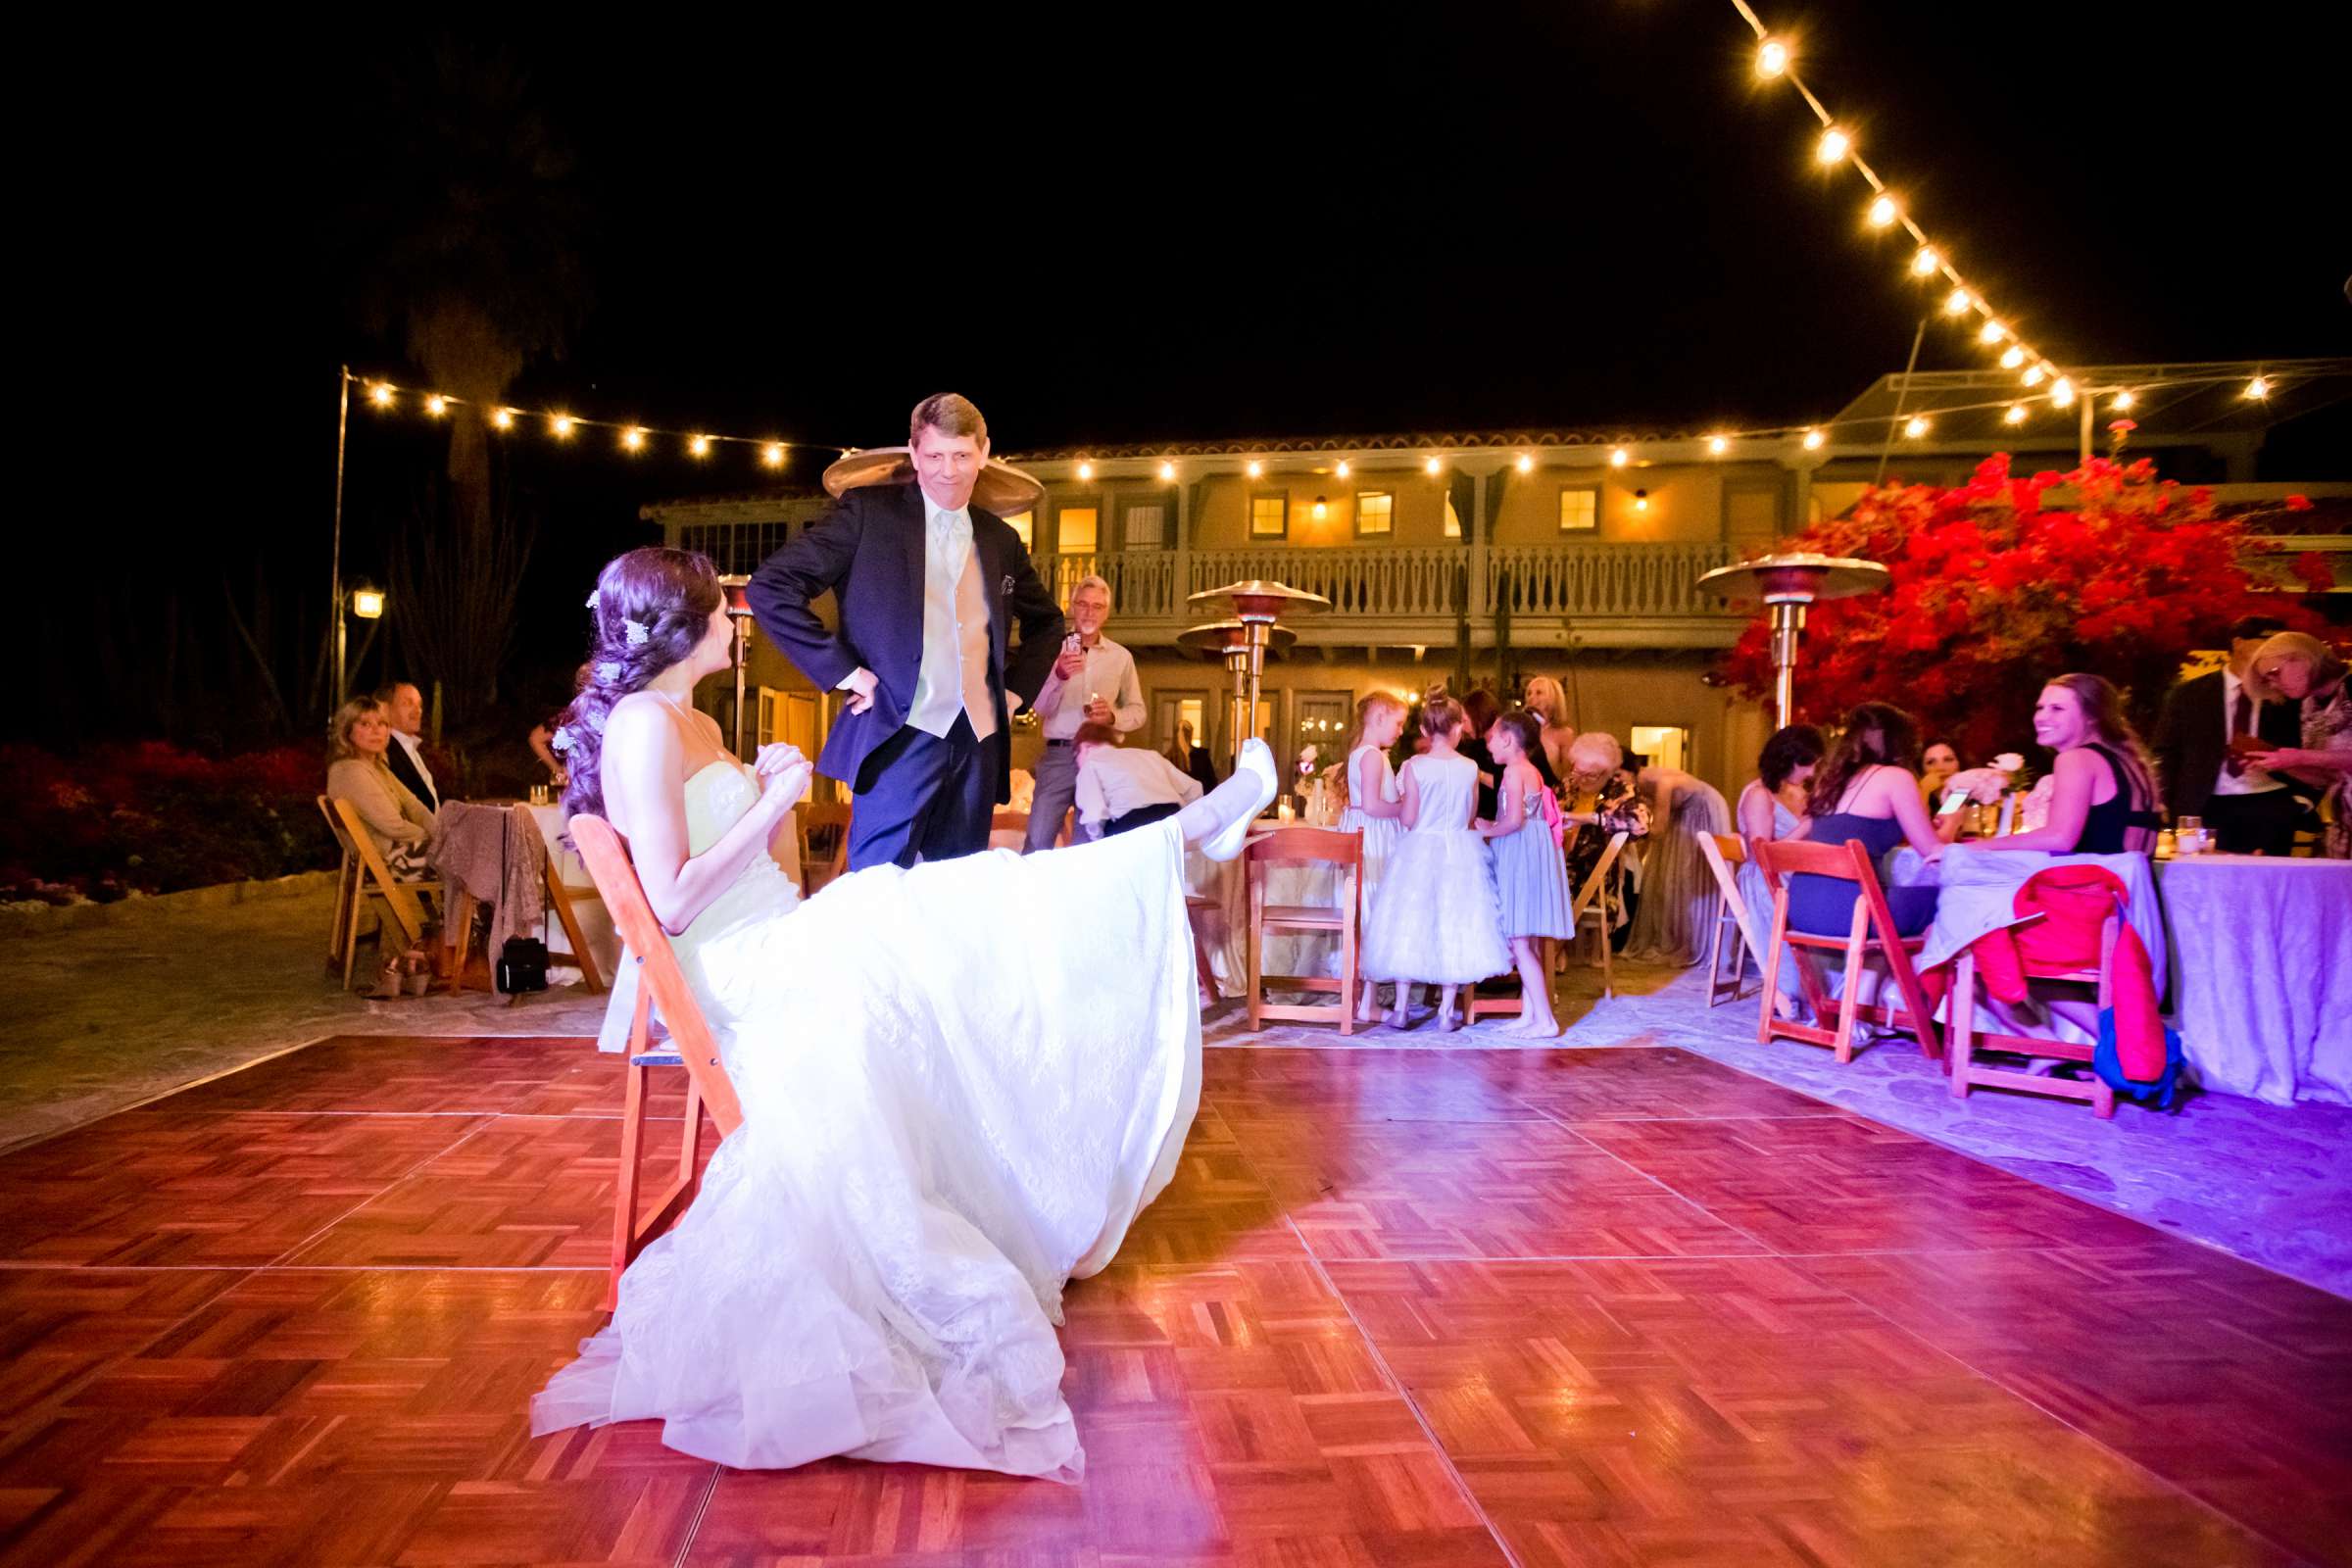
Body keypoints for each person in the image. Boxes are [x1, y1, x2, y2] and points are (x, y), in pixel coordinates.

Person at [532, 547, 1280, 1478]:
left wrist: (762, 786)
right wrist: (770, 804)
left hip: (791, 938)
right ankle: (1186, 835)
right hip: (755, 973)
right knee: (954, 913)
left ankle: (1181, 836)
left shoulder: (676, 715)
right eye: (721, 608)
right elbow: (672, 902)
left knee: (971, 906)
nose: (737, 617)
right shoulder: (646, 722)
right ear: (683, 624)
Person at [748, 393, 1063, 872]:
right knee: (877, 894)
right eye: (934, 456)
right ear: (913, 454)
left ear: (983, 452)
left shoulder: (1001, 538)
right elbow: (772, 586)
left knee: (957, 896)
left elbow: (1048, 622)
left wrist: (1017, 691)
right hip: (898, 734)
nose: (948, 471)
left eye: (961, 456)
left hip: (977, 745)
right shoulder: (867, 515)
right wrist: (844, 671)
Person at [1359, 697, 1509, 1032]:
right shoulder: (1470, 767)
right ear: (1458, 728)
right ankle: (1444, 1012)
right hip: (1459, 851)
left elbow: (1409, 817)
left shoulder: (1414, 766)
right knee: (1453, 922)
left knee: (1409, 922)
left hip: (1418, 850)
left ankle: (1400, 1008)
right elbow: (1470, 815)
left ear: (1425, 730)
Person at [1787, 703, 1954, 940]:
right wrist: (1955, 819)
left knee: (1896, 898)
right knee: (1957, 897)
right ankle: (1933, 976)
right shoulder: (1896, 778)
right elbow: (1932, 852)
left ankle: (1867, 977)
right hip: (1852, 912)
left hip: (1802, 908)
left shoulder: (1829, 782)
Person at [2153, 614, 2303, 856]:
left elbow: (2312, 744)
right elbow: (2166, 752)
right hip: (2206, 802)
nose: (2277, 651)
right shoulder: (2190, 694)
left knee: (2267, 880)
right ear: (2239, 643)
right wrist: (2166, 802)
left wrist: (2302, 801)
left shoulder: (2289, 695)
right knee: (2205, 880)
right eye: (2268, 641)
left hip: (2270, 800)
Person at [326, 695, 439, 997]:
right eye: (365, 724)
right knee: (488, 864)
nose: (377, 731)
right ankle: (463, 955)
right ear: (348, 731)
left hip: (396, 856)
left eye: (382, 724)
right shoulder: (350, 771)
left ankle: (446, 951)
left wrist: (442, 834)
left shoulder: (377, 767)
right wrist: (438, 841)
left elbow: (414, 806)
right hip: (392, 860)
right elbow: (393, 826)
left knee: (480, 856)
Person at [1976, 675, 2162, 857]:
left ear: (2092, 716)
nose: (2041, 717)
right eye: (2040, 708)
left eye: (2057, 709)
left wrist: (1974, 848)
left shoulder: (2076, 758)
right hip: (2133, 885)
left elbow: (2059, 838)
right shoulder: (2130, 762)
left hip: (2095, 884)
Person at [1025, 574, 1146, 852]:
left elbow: (1138, 712)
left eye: (1097, 606)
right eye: (1083, 604)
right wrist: (1058, 674)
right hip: (1058, 757)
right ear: (1072, 607)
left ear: (1106, 612)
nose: (1089, 612)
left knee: (1090, 846)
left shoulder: (1121, 658)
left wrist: (1112, 717)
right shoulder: (1052, 651)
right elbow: (1040, 707)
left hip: (1101, 757)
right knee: (1037, 840)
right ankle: (1027, 895)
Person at [1478, 710, 1574, 1037]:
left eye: (1492, 736)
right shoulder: (1531, 770)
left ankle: (1545, 1020)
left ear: (1506, 739)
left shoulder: (1512, 773)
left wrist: (1485, 830)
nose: (1488, 743)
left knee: (1519, 940)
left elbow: (1514, 820)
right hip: (1532, 849)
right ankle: (1530, 1014)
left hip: (1519, 851)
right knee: (1527, 941)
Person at [2247, 631, 2352, 858]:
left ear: (2303, 658)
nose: (2274, 685)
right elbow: (2328, 778)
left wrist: (2300, 757)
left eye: (2275, 673)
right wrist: (2281, 764)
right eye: (2268, 680)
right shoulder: (2309, 705)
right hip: (2341, 825)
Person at [1340, 692, 1409, 1024]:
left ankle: (1366, 996)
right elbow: (1372, 805)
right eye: (1397, 723)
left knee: (1371, 914)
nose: (1399, 731)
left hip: (1366, 831)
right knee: (1375, 912)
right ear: (1379, 716)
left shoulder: (1363, 754)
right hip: (1374, 836)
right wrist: (1405, 808)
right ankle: (1367, 1000)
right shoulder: (1372, 757)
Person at [1624, 762, 1733, 965]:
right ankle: (1677, 936)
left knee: (1689, 878)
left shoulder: (1664, 783)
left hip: (1700, 817)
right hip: (1682, 820)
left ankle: (1695, 942)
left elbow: (1658, 829)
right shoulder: (1651, 782)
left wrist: (1630, 830)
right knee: (1669, 879)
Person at [1559, 731, 1650, 936]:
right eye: (1577, 771)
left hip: (1594, 876)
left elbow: (1642, 825)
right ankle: (1541, 954)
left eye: (1590, 775)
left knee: (1553, 888)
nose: (1581, 780)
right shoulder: (1567, 786)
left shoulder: (1622, 792)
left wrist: (1589, 818)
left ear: (1608, 772)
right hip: (1558, 865)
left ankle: (1549, 952)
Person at [1073, 721, 1201, 838]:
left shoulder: (1090, 765)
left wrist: (1098, 842)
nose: (1077, 764)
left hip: (1130, 824)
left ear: (1085, 747)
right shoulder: (1150, 755)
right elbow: (1194, 789)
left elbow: (1094, 814)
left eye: (1075, 756)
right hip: (1172, 818)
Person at [373, 681, 440, 813]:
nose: (418, 711)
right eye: (408, 703)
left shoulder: (410, 748)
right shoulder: (384, 751)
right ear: (385, 709)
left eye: (419, 705)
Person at [1521, 674, 1578, 780]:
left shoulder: (1565, 734)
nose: (1531, 698)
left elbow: (1568, 774)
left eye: (1539, 693)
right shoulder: (1520, 730)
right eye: (1529, 693)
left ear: (1553, 698)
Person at [1165, 718, 1220, 797]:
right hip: (1183, 803)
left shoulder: (1201, 756)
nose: (1181, 736)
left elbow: (1211, 783)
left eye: (1184, 732)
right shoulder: (1169, 758)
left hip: (1198, 801)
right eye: (1180, 732)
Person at [1919, 740, 1961, 808]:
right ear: (1922, 770)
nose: (1940, 768)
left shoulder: (1972, 792)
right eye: (1930, 762)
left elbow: (1950, 812)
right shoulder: (1921, 797)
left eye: (1948, 760)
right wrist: (1924, 791)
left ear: (1960, 764)